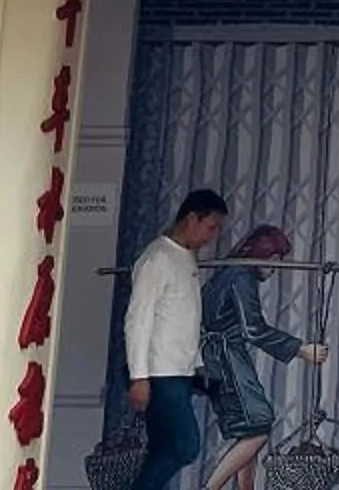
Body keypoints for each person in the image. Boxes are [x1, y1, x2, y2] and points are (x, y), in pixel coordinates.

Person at [200, 225, 328, 490]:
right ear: (264, 255)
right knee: (259, 428)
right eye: (275, 260)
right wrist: (301, 349)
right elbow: (254, 329)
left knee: (251, 430)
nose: (275, 269)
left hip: (219, 357)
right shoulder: (241, 275)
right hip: (227, 358)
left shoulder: (227, 273)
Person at [125, 188, 228, 490]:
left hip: (179, 372)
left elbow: (184, 320)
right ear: (192, 218)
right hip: (160, 373)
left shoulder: (185, 258)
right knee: (185, 446)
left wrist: (197, 366)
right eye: (211, 227)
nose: (212, 236)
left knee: (162, 448)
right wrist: (139, 377)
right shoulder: (157, 258)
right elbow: (138, 320)